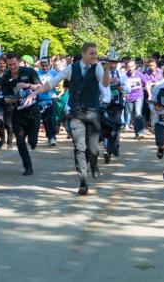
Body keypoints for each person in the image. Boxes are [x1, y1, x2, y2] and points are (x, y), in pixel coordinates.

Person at [25, 42, 110, 195]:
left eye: (95, 53)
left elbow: (104, 83)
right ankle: (83, 181)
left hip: (92, 112)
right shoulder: (71, 69)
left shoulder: (97, 67)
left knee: (93, 149)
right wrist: (34, 93)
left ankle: (94, 163)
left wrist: (106, 70)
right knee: (79, 147)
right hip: (76, 113)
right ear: (83, 53)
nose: (94, 56)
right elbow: (51, 84)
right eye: (91, 53)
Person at [1, 52, 42, 176]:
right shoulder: (5, 77)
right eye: (10, 65)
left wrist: (27, 85)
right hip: (18, 113)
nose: (12, 67)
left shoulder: (29, 72)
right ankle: (28, 166)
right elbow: (5, 98)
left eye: (14, 64)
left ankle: (33, 140)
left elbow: (40, 86)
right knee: (19, 140)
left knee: (33, 141)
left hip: (33, 110)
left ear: (19, 61)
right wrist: (13, 99)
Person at [104, 61, 130, 163]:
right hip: (105, 105)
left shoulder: (122, 75)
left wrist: (122, 88)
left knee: (116, 127)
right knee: (105, 127)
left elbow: (128, 88)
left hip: (117, 105)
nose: (113, 65)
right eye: (111, 63)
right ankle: (108, 149)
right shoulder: (102, 74)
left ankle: (114, 147)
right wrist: (108, 82)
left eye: (115, 63)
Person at [37, 59, 58, 146]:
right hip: (41, 100)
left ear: (49, 65)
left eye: (46, 65)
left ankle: (52, 136)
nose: (45, 67)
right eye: (43, 66)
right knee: (46, 120)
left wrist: (52, 85)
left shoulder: (54, 73)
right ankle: (50, 137)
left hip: (51, 98)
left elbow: (58, 84)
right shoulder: (38, 74)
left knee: (53, 119)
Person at [123, 60, 147, 139]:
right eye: (129, 67)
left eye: (132, 66)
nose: (130, 68)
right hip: (129, 97)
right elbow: (123, 87)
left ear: (135, 66)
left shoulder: (139, 74)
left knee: (138, 113)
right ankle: (137, 133)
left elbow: (146, 83)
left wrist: (149, 94)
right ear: (127, 67)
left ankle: (140, 133)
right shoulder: (125, 76)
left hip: (139, 96)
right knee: (133, 116)